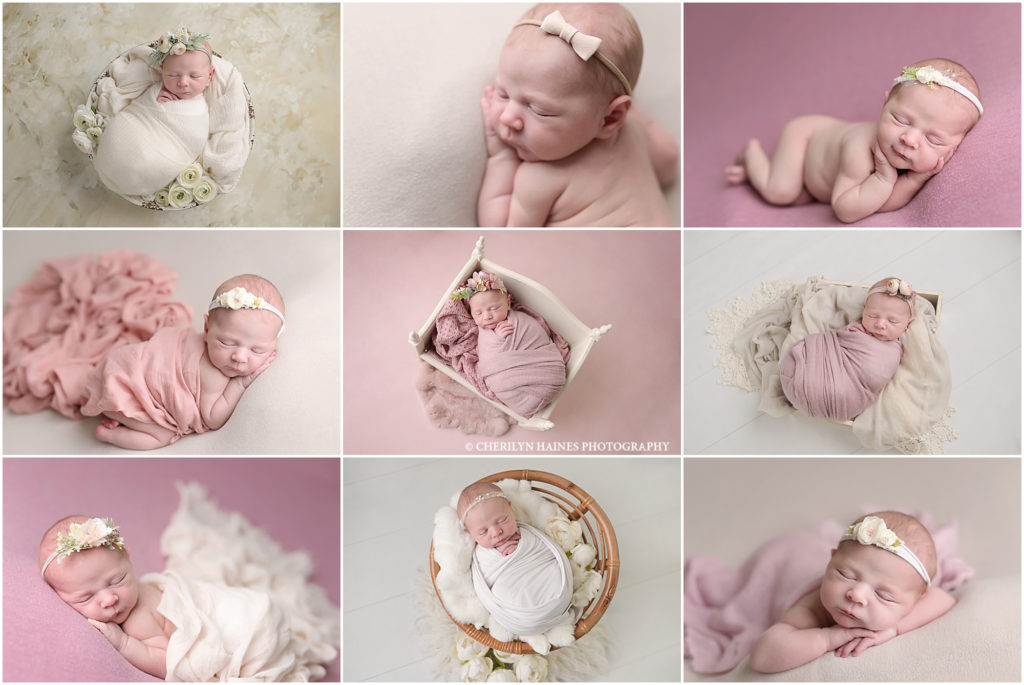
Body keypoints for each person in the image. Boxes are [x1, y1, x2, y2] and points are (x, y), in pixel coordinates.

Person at [478, 3, 678, 226]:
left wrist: (500, 157)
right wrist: (640, 121)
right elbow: (669, 164)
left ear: (611, 118)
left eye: (539, 110)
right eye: (502, 94)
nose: (507, 117)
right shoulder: (635, 131)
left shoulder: (538, 180)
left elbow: (500, 232)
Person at [725, 59, 983, 223]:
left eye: (933, 139)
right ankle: (752, 154)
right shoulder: (860, 149)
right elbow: (846, 209)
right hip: (805, 137)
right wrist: (883, 178)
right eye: (901, 120)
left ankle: (772, 176)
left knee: (802, 195)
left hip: (821, 165)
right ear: (884, 105)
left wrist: (915, 179)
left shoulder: (904, 151)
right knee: (781, 192)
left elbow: (881, 201)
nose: (910, 139)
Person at [85, 274, 284, 449]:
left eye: (257, 350)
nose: (239, 357)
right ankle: (109, 434)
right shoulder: (213, 376)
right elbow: (213, 419)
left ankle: (122, 419)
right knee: (163, 435)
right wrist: (240, 384)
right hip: (128, 391)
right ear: (206, 329)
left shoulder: (222, 355)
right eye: (226, 343)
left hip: (120, 366)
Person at [749, 512, 955, 673]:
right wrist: (827, 639)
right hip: (794, 563)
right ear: (831, 561)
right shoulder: (813, 608)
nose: (856, 595)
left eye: (883, 595)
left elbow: (944, 599)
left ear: (917, 600)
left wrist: (894, 629)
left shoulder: (909, 593)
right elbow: (762, 656)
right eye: (845, 574)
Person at [780, 278, 915, 421]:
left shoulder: (893, 350)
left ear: (908, 323)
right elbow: (834, 341)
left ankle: (817, 396)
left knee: (841, 393)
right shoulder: (856, 328)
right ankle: (808, 389)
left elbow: (876, 375)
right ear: (864, 311)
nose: (880, 324)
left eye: (892, 321)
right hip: (813, 367)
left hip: (844, 393)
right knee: (797, 357)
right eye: (873, 316)